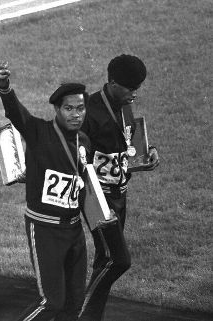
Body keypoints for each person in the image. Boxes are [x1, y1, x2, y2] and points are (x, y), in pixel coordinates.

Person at [0, 63, 90, 321]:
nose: (75, 115)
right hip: (45, 230)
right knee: (52, 302)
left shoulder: (85, 141)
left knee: (74, 303)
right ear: (57, 110)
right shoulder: (39, 132)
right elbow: (16, 113)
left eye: (80, 108)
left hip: (74, 230)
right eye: (69, 109)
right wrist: (5, 88)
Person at [78, 54, 159, 321]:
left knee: (105, 260)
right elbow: (78, 160)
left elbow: (126, 144)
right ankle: (78, 315)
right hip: (97, 198)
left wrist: (146, 156)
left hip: (120, 194)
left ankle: (90, 317)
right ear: (112, 82)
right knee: (117, 259)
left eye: (138, 87)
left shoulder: (123, 104)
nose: (135, 93)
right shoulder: (90, 111)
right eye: (130, 87)